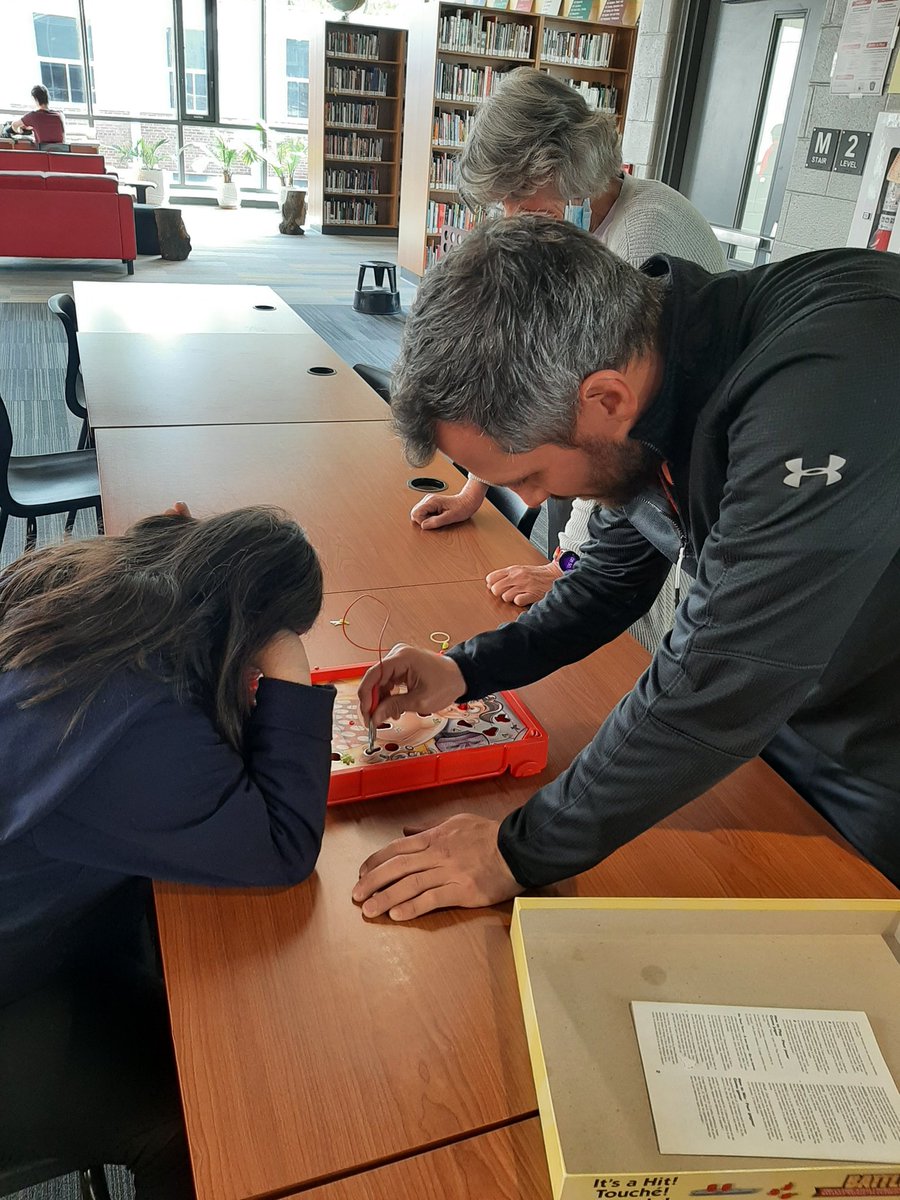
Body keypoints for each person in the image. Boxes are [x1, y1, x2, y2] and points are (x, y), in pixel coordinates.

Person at [352, 215, 900, 923]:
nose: (537, 501)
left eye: (533, 473)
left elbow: (722, 675)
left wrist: (516, 852)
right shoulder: (661, 373)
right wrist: (467, 671)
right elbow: (612, 576)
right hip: (788, 707)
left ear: (605, 397)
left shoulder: (825, 382)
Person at [0, 504, 334, 1199]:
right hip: (21, 991)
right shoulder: (138, 717)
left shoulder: (68, 589)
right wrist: (288, 669)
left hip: (40, 922)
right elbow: (281, 846)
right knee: (213, 1113)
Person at [409, 68, 725, 641]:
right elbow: (521, 389)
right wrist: (477, 484)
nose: (511, 214)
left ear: (562, 168)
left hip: (658, 496)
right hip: (599, 480)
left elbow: (606, 440)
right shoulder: (577, 223)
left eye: (516, 193)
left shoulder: (644, 234)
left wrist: (566, 569)